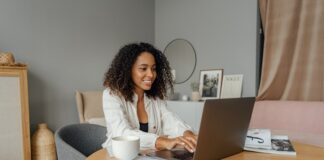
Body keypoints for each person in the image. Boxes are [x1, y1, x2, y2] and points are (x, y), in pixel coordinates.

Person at [102, 42, 197, 153]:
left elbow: (170, 119)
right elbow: (122, 133)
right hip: (118, 156)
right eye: (143, 69)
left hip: (148, 154)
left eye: (153, 69)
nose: (151, 74)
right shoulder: (112, 95)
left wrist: (187, 133)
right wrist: (162, 141)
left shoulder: (154, 98)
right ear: (128, 70)